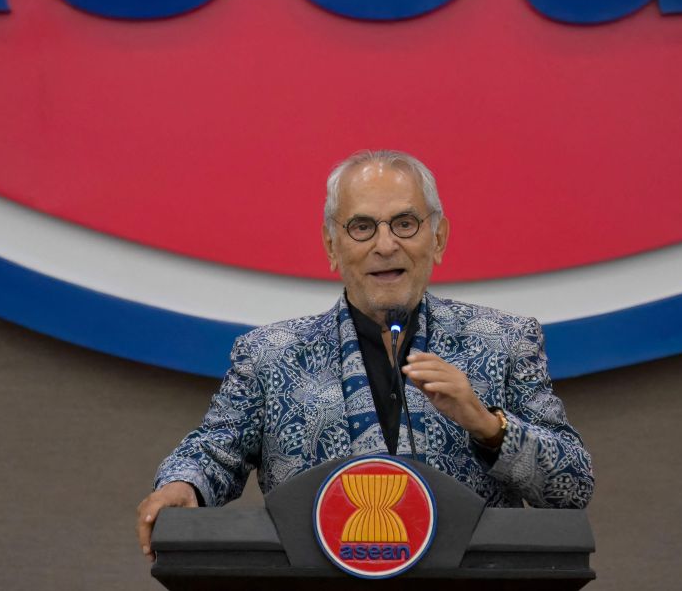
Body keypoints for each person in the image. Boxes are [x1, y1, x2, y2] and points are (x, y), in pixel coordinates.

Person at [136, 150, 593, 557]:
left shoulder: (505, 340)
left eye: (405, 223)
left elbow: (573, 486)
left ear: (438, 238)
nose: (385, 244)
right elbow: (212, 452)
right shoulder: (269, 356)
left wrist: (487, 425)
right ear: (331, 245)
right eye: (361, 227)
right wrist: (183, 485)